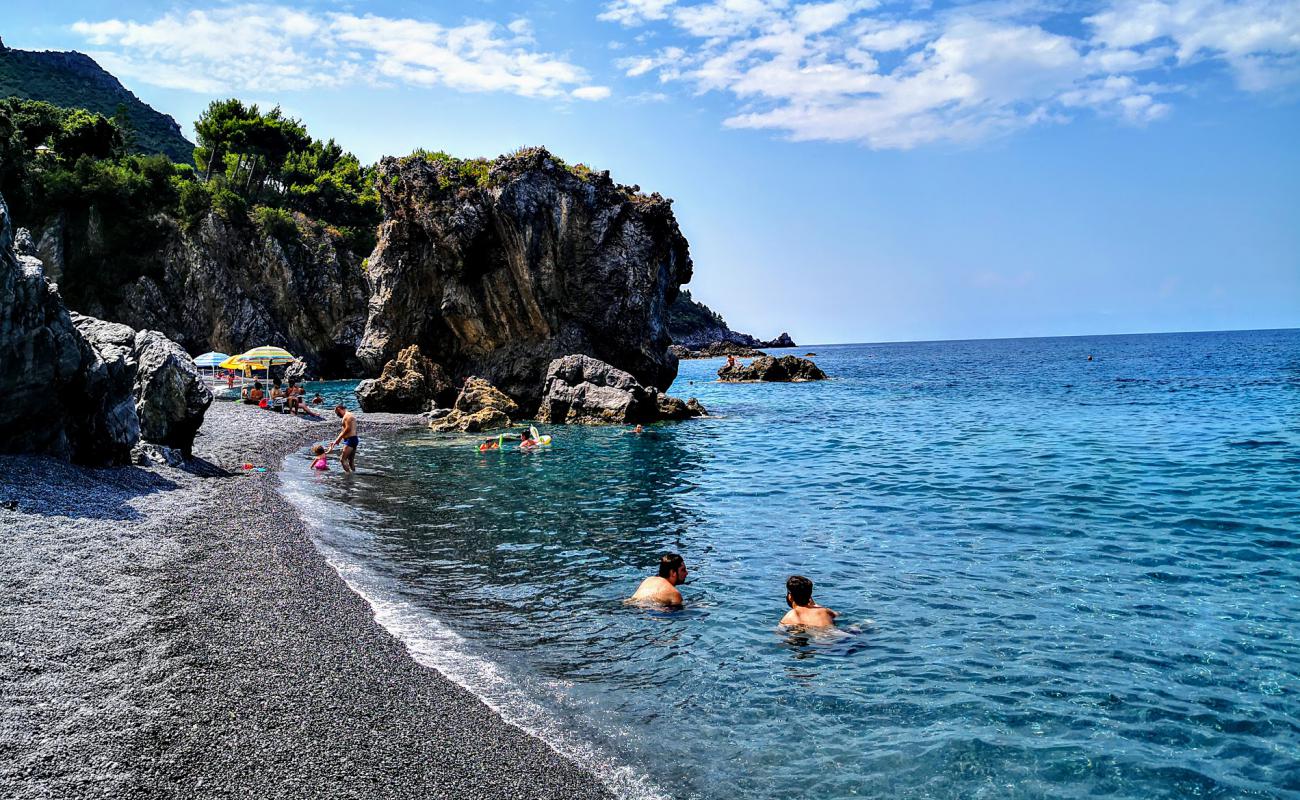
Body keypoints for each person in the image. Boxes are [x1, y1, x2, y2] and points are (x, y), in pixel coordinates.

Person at [327, 404, 358, 472]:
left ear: (339, 409)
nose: (337, 415)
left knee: (342, 459)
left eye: (337, 413)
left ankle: (348, 477)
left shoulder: (347, 416)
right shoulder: (349, 415)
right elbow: (346, 430)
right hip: (353, 438)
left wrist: (339, 439)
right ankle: (354, 474)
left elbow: (347, 429)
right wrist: (336, 440)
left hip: (350, 440)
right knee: (351, 461)